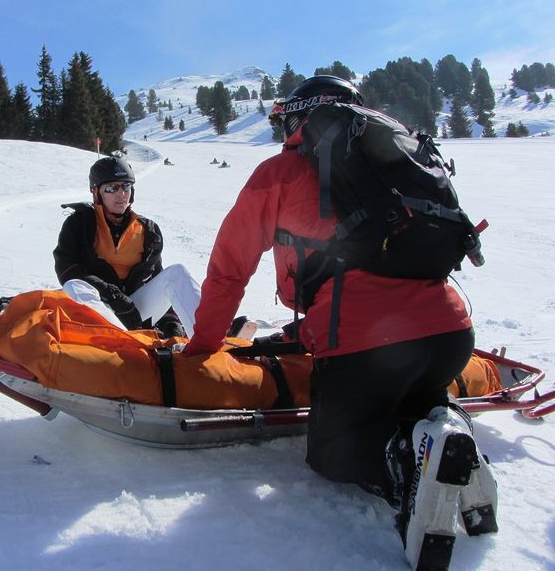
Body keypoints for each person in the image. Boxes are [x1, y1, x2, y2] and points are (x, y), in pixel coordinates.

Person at [183, 76, 496, 570]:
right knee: (411, 398)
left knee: (333, 454)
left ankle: (405, 470)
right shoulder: (395, 164)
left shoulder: (281, 172)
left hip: (365, 342)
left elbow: (228, 270)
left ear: (298, 119)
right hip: (450, 333)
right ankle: (444, 430)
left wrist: (201, 347)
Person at [54, 156, 201, 338]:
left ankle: (205, 338)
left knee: (177, 272)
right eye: (112, 188)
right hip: (96, 307)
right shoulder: (80, 223)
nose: (121, 194)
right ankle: (122, 342)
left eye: (126, 186)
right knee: (75, 285)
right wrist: (113, 296)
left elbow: (157, 278)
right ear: (96, 192)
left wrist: (171, 321)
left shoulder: (148, 230)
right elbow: (67, 269)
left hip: (132, 312)